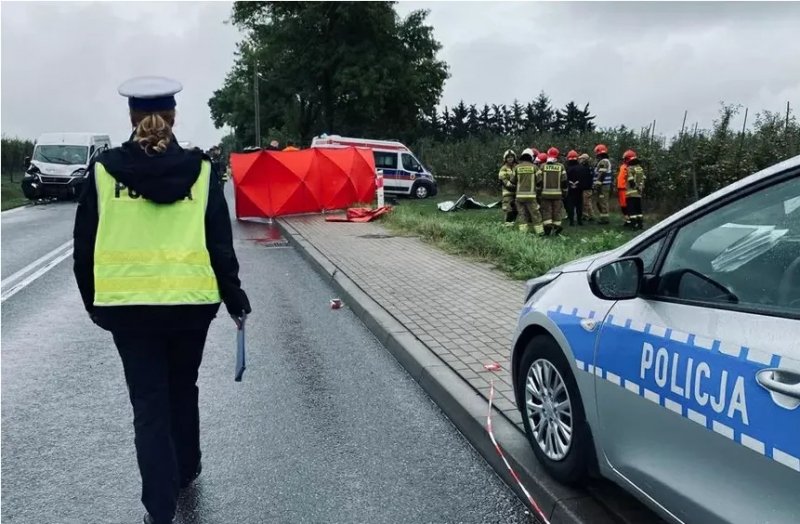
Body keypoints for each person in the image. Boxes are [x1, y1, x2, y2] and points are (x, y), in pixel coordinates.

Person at [72, 76, 251, 524]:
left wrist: (93, 301)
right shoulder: (203, 170)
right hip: (191, 305)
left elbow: (83, 246)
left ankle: (159, 507)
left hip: (128, 308)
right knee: (182, 388)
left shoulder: (102, 170)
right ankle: (187, 467)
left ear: (131, 119)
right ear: (173, 118)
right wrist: (234, 299)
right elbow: (220, 245)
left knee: (149, 403)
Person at [537, 147, 568, 236]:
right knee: (557, 211)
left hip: (545, 194)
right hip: (558, 194)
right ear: (557, 156)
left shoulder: (542, 166)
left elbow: (539, 181)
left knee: (546, 211)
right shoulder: (561, 167)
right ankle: (557, 227)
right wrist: (565, 192)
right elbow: (564, 181)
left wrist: (538, 193)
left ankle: (547, 229)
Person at [513, 148, 544, 235]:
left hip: (519, 196)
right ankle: (540, 231)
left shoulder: (517, 167)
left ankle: (523, 232)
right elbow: (539, 181)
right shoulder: (535, 167)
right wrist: (538, 192)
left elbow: (512, 181)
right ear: (531, 157)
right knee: (535, 214)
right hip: (531, 196)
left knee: (522, 214)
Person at [624, 149, 646, 229]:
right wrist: (640, 188)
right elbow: (642, 179)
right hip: (638, 193)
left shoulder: (629, 168)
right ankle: (640, 225)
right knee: (639, 210)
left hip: (630, 193)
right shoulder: (640, 168)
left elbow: (630, 180)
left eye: (625, 159)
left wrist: (635, 187)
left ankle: (633, 225)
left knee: (632, 210)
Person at [592, 144, 613, 224]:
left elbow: (602, 174)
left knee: (603, 202)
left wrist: (597, 184)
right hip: (602, 185)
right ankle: (603, 217)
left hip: (603, 186)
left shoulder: (604, 161)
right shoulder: (603, 161)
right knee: (599, 202)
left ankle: (605, 219)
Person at [564, 150, 584, 226]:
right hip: (579, 189)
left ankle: (571, 221)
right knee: (579, 205)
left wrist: (570, 183)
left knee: (570, 205)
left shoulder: (566, 168)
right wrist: (578, 183)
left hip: (569, 189)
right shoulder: (581, 167)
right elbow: (584, 178)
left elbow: (564, 178)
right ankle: (579, 221)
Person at [498, 149, 518, 227]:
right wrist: (512, 186)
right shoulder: (503, 168)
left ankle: (512, 224)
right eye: (508, 157)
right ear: (505, 159)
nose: (510, 159)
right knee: (507, 209)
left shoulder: (516, 167)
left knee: (516, 209)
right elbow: (504, 180)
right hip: (507, 192)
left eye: (511, 157)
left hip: (516, 192)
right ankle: (507, 225)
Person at [578, 153, 594, 222]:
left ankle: (591, 216)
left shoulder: (587, 168)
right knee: (584, 202)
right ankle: (585, 215)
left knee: (587, 202)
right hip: (584, 188)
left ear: (584, 159)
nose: (580, 160)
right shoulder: (585, 167)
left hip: (587, 188)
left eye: (581, 158)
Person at [617, 151, 630, 227]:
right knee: (623, 206)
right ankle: (626, 220)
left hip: (625, 189)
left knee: (626, 206)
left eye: (626, 158)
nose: (624, 160)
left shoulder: (629, 167)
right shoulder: (623, 166)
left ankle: (629, 221)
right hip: (621, 188)